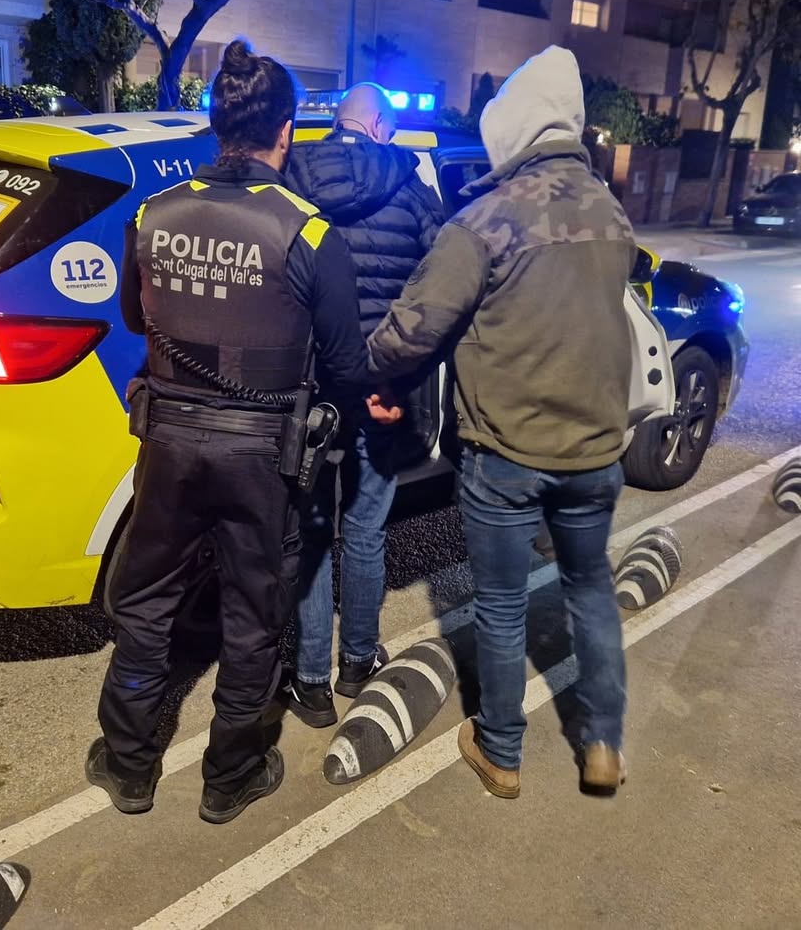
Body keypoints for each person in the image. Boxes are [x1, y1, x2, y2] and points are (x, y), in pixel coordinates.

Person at [87, 40, 400, 826]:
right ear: (286, 132)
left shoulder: (154, 214)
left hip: (167, 443)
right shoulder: (308, 232)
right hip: (264, 456)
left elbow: (135, 317)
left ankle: (127, 766)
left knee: (147, 600)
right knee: (253, 611)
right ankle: (230, 777)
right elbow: (342, 361)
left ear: (215, 120)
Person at [366, 46, 635, 798]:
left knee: (502, 603)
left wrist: (374, 374)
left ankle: (502, 751)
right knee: (590, 589)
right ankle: (603, 744)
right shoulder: (609, 210)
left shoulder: (485, 219)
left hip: (506, 452)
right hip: (596, 451)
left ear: (508, 128)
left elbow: (415, 326)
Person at [281, 83, 448, 726]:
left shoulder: (294, 175)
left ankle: (311, 683)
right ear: (379, 127)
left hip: (311, 383)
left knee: (314, 528)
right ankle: (357, 661)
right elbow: (443, 277)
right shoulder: (408, 184)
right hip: (382, 384)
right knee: (367, 525)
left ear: (340, 122)